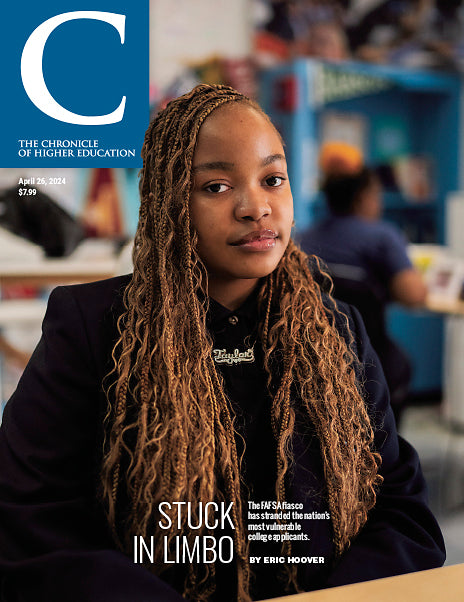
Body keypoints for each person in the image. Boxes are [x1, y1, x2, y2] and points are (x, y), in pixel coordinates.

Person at [0, 86, 444, 602]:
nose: (256, 207)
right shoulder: (92, 325)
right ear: (169, 200)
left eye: (272, 179)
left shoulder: (338, 328)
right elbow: (30, 516)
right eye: (215, 186)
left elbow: (398, 508)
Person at [299, 141, 427, 425]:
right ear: (362, 197)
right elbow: (415, 294)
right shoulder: (382, 236)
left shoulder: (303, 239)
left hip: (312, 355)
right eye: (376, 194)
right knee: (402, 364)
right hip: (370, 358)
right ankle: (390, 448)